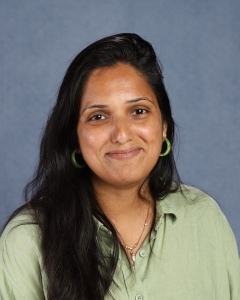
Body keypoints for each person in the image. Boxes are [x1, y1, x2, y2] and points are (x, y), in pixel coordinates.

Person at [0, 33, 239, 300]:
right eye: (98, 116)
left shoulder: (204, 219)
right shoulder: (27, 241)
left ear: (163, 127)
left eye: (139, 111)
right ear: (75, 137)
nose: (122, 135)